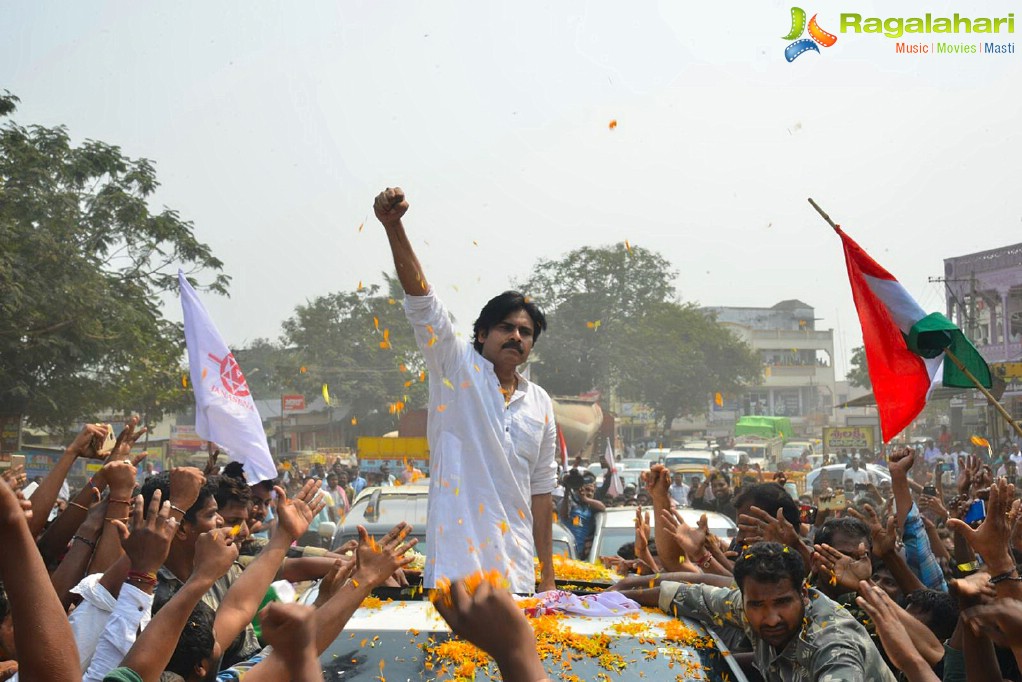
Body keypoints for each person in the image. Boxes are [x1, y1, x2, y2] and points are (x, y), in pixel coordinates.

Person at [375, 186, 558, 593]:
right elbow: (423, 302)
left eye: (525, 332)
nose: (516, 336)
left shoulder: (540, 402)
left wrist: (546, 577)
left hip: (518, 579)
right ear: (481, 333)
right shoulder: (455, 367)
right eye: (506, 327)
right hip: (456, 580)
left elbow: (542, 494)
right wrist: (394, 227)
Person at [626, 541, 895, 681]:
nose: (771, 618)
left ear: (803, 592)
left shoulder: (832, 644)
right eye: (757, 605)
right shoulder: (743, 606)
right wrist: (615, 596)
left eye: (782, 602)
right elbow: (685, 595)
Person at [560, 481, 604, 558]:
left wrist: (585, 499)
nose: (590, 493)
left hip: (581, 552)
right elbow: (563, 514)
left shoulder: (589, 506)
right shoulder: (569, 501)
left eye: (592, 491)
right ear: (580, 489)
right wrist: (567, 492)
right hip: (566, 550)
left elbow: (602, 507)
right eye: (587, 489)